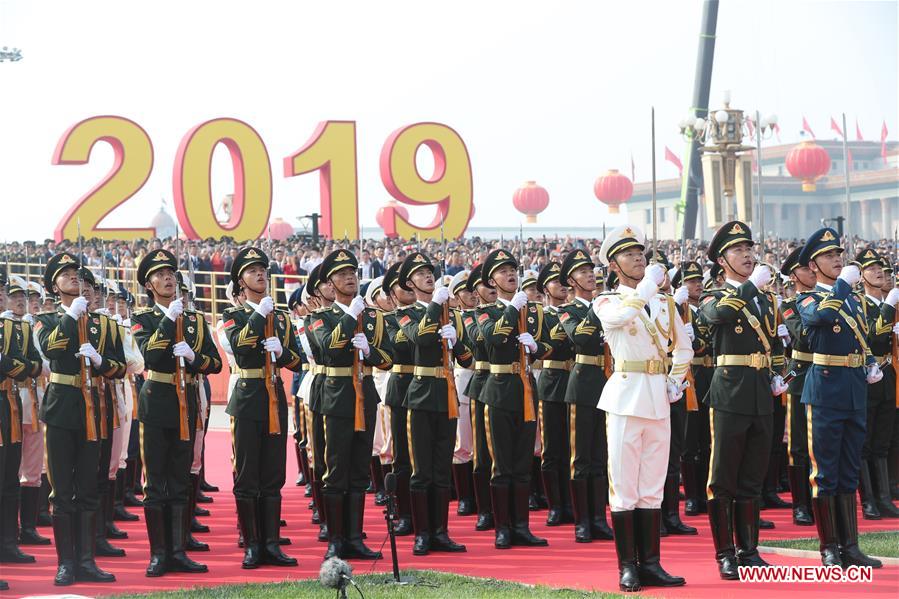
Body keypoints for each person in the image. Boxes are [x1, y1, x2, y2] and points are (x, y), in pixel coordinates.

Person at [595, 226, 691, 592]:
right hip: (625, 395)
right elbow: (617, 321)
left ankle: (651, 563)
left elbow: (683, 348)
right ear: (614, 265)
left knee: (652, 486)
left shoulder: (666, 304)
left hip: (657, 396)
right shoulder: (606, 300)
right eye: (630, 254)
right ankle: (628, 566)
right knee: (624, 486)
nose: (639, 258)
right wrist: (646, 289)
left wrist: (675, 380)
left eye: (641, 253)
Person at [700, 221, 786, 579]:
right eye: (738, 250)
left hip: (760, 394)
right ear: (722, 260)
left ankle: (749, 551)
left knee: (752, 477)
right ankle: (725, 553)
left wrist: (780, 373)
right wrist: (751, 286)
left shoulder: (765, 298)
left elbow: (776, 343)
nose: (748, 255)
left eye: (750, 249)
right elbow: (717, 316)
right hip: (730, 393)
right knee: (723, 478)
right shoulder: (713, 295)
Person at [131, 249, 222, 577]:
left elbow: (215, 362)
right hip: (157, 402)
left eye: (171, 273)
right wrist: (169, 320)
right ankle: (159, 554)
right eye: (160, 275)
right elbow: (151, 357)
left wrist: (195, 357)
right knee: (156, 482)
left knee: (180, 480)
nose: (168, 278)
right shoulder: (144, 318)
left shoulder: (195, 320)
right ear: (149, 285)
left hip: (187, 401)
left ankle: (179, 550)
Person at [796, 229, 882, 568]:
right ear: (813, 264)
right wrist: (842, 286)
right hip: (826, 389)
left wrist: (871, 363)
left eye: (838, 254)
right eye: (829, 256)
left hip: (853, 387)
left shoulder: (853, 300)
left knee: (849, 469)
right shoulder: (807, 298)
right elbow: (819, 320)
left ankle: (851, 545)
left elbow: (860, 339)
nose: (837, 260)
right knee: (825, 472)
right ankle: (829, 548)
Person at [36, 253, 123, 585]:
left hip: (93, 408)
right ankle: (66, 562)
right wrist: (71, 317)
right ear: (54, 285)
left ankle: (87, 560)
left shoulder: (103, 323)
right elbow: (52, 349)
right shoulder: (46, 319)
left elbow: (117, 366)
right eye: (66, 274)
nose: (74, 277)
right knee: (62, 491)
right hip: (61, 408)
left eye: (77, 273)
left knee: (88, 487)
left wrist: (100, 361)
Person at [223, 247, 303, 569]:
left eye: (263, 269)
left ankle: (271, 544)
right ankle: (253, 544)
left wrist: (282, 351)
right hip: (247, 397)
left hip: (274, 395)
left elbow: (298, 360)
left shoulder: (281, 318)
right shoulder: (233, 316)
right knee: (247, 475)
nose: (261, 274)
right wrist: (258, 316)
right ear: (240, 281)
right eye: (252, 270)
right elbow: (241, 347)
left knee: (272, 474)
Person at [310, 249, 392, 561]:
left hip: (365, 392)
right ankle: (336, 540)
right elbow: (328, 349)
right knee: (335, 468)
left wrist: (369, 351)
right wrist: (347, 319)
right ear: (330, 282)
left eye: (353, 273)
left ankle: (354, 538)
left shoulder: (372, 317)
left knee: (359, 468)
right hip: (336, 394)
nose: (349, 278)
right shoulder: (320, 318)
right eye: (342, 274)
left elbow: (388, 357)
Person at [476, 248, 552, 549]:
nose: (510, 274)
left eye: (512, 269)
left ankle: (521, 526)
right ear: (492, 280)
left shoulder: (532, 311)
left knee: (522, 463)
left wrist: (536, 347)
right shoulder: (485, 311)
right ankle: (503, 527)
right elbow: (493, 338)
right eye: (503, 271)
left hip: (526, 389)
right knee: (501, 464)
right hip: (499, 390)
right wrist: (511, 310)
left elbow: (552, 346)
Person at [397, 252, 472, 555]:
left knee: (442, 468)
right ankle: (422, 533)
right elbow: (419, 338)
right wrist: (433, 308)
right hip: (421, 394)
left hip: (447, 394)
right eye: (421, 274)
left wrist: (457, 341)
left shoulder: (451, 314)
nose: (428, 277)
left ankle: (441, 532)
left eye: (430, 272)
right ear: (410, 283)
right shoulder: (406, 313)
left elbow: (467, 358)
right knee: (421, 470)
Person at [557, 249, 614, 542]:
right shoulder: (569, 310)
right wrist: (597, 306)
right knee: (581, 457)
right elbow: (579, 336)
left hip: (607, 382)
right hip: (582, 384)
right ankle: (582, 522)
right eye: (583, 272)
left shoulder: (606, 304)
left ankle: (598, 517)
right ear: (571, 280)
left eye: (591, 270)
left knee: (600, 455)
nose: (590, 275)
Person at [854, 248, 899, 519]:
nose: (879, 272)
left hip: (888, 372)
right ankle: (869, 499)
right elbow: (870, 337)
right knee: (866, 440)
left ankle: (884, 497)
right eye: (871, 268)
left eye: (881, 268)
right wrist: (887, 309)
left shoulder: (889, 303)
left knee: (883, 439)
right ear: (860, 276)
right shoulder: (859, 304)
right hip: (867, 374)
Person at [534, 261, 575, 527]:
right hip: (553, 379)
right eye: (555, 280)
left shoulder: (578, 311)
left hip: (578, 378)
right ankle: (556, 505)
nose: (561, 283)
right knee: (553, 448)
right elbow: (540, 347)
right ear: (544, 288)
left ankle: (573, 503)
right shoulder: (541, 315)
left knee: (576, 447)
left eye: (564, 279)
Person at [380, 261, 418, 536]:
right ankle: (404, 513)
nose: (408, 287)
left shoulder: (429, 313)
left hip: (430, 387)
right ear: (392, 294)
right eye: (401, 285)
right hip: (403, 385)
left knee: (427, 457)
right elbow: (400, 344)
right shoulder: (389, 319)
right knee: (403, 455)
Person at [779, 246, 816, 526]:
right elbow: (803, 336)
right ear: (794, 275)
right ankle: (801, 504)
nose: (812, 270)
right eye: (805, 267)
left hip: (829, 375)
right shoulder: (790, 305)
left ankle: (820, 499)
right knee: (800, 445)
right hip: (802, 376)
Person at [673, 262, 713, 519]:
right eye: (691, 281)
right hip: (691, 373)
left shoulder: (707, 308)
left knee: (707, 439)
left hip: (709, 374)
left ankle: (705, 493)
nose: (697, 284)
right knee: (689, 441)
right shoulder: (677, 309)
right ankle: (692, 496)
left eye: (699, 280)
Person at [464, 263, 496, 532]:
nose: (492, 289)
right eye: (486, 285)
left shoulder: (513, 311)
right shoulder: (471, 316)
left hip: (509, 383)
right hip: (483, 381)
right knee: (482, 452)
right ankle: (485, 509)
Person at [450, 270, 477, 517]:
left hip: (489, 377)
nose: (472, 295)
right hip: (466, 376)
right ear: (456, 296)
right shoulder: (454, 319)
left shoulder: (486, 313)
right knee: (463, 442)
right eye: (465, 291)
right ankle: (465, 497)